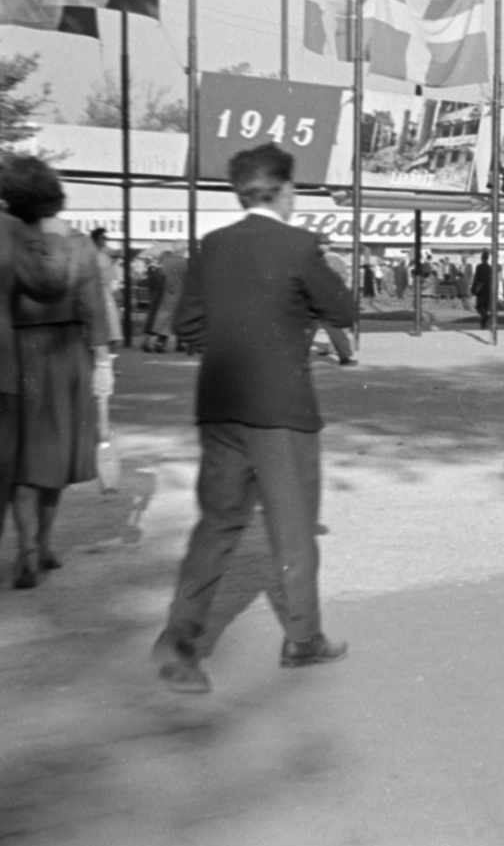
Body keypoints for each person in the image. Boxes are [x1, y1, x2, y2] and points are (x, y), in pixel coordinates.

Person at [150, 144, 357, 693]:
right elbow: (343, 311)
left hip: (220, 406)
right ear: (287, 191)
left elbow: (189, 324)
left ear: (241, 194)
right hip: (282, 409)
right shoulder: (299, 245)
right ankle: (303, 638)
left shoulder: (212, 245)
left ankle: (178, 647)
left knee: (215, 526)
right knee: (292, 532)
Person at [7, 163, 113, 588]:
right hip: (67, 356)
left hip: (17, 353)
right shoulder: (80, 246)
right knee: (55, 454)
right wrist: (103, 363)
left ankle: (27, 549)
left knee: (23, 460)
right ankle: (46, 543)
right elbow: (95, 311)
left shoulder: (7, 242)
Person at [0, 160, 70, 585]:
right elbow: (49, 284)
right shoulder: (17, 233)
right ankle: (27, 552)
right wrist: (53, 241)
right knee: (5, 466)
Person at [313, 237, 356, 366]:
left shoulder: (305, 258)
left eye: (326, 244)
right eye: (323, 244)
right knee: (335, 328)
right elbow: (343, 276)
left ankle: (343, 356)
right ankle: (344, 357)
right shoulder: (333, 259)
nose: (325, 246)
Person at [89, 227, 123, 347]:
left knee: (111, 316)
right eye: (102, 238)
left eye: (105, 238)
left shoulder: (104, 253)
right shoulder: (90, 253)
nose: (104, 240)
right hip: (93, 289)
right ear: (95, 239)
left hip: (105, 290)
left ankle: (109, 341)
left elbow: (111, 273)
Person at [470, 250, 494, 329]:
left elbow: (476, 278)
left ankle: (487, 318)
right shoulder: (490, 268)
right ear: (488, 258)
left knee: (479, 307)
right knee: (485, 308)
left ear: (481, 258)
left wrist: (473, 288)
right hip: (488, 290)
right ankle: (484, 324)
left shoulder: (479, 267)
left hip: (480, 290)